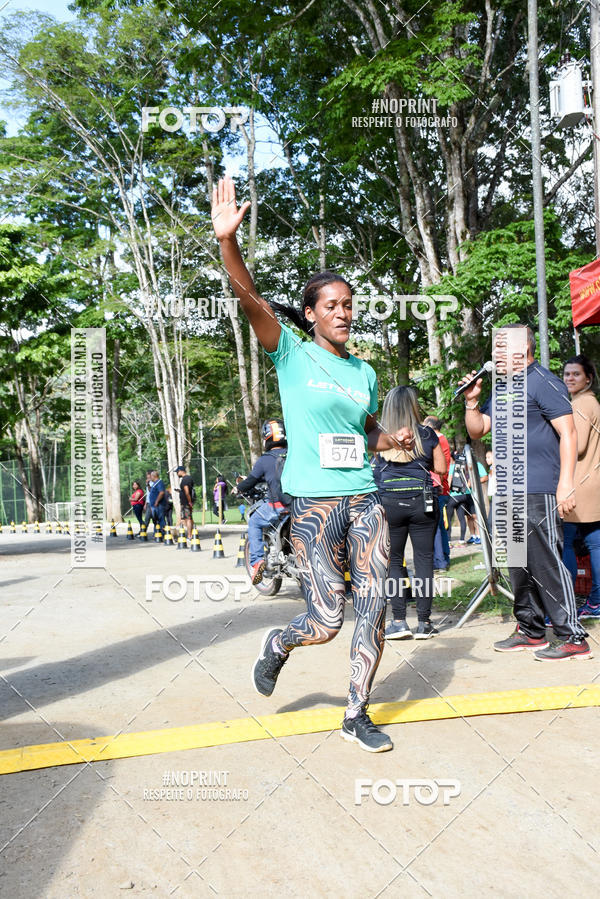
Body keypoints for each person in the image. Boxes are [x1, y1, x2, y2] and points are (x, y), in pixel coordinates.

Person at [211, 174, 414, 752]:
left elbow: (365, 431)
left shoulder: (365, 373)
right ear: (311, 314)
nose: (344, 313)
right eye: (332, 305)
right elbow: (248, 297)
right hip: (314, 505)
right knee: (326, 621)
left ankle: (356, 713)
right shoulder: (290, 355)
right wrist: (230, 243)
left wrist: (390, 442)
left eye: (349, 305)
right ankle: (279, 643)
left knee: (374, 604)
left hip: (365, 498)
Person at [462, 324, 591, 661]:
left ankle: (572, 636)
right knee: (516, 564)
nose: (496, 354)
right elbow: (478, 430)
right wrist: (472, 403)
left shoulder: (545, 382)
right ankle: (530, 629)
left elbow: (569, 434)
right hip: (506, 490)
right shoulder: (503, 387)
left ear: (524, 349)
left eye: (501, 348)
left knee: (546, 563)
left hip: (537, 487)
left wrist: (566, 484)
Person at [374, 388, 447, 640]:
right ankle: (425, 623)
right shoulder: (427, 434)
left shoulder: (380, 436)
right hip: (422, 503)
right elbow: (441, 468)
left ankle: (398, 621)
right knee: (424, 560)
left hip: (389, 503)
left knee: (394, 560)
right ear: (414, 406)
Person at [562, 355, 600, 619]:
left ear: (588, 378)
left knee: (563, 543)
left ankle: (564, 604)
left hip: (578, 484)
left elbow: (580, 444)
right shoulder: (589, 401)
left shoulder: (581, 403)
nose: (570, 378)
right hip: (592, 482)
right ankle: (597, 601)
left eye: (576, 374)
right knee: (595, 544)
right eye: (566, 374)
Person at [232, 419, 290, 584]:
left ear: (267, 437)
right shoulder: (294, 454)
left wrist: (238, 488)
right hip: (300, 505)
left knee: (255, 521)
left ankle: (257, 561)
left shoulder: (265, 460)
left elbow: (250, 481)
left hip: (279, 507)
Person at [423, 415, 452, 572]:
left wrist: (439, 483)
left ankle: (439, 561)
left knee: (434, 525)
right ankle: (444, 559)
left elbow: (438, 464)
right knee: (439, 524)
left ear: (429, 425)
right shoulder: (443, 439)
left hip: (436, 485)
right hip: (440, 485)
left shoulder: (437, 439)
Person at [446, 451, 487, 545]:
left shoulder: (477, 464)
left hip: (470, 494)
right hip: (459, 495)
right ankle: (472, 536)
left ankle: (479, 536)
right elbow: (450, 479)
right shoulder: (454, 466)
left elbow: (485, 477)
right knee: (468, 517)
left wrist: (472, 483)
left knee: (475, 516)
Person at [175, 465, 195, 539]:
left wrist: (189, 502)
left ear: (181, 471)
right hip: (185, 502)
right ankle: (192, 533)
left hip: (186, 502)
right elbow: (185, 491)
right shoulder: (186, 478)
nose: (177, 473)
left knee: (188, 518)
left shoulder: (186, 479)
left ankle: (190, 535)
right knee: (185, 519)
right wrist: (180, 491)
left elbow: (187, 492)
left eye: (177, 472)